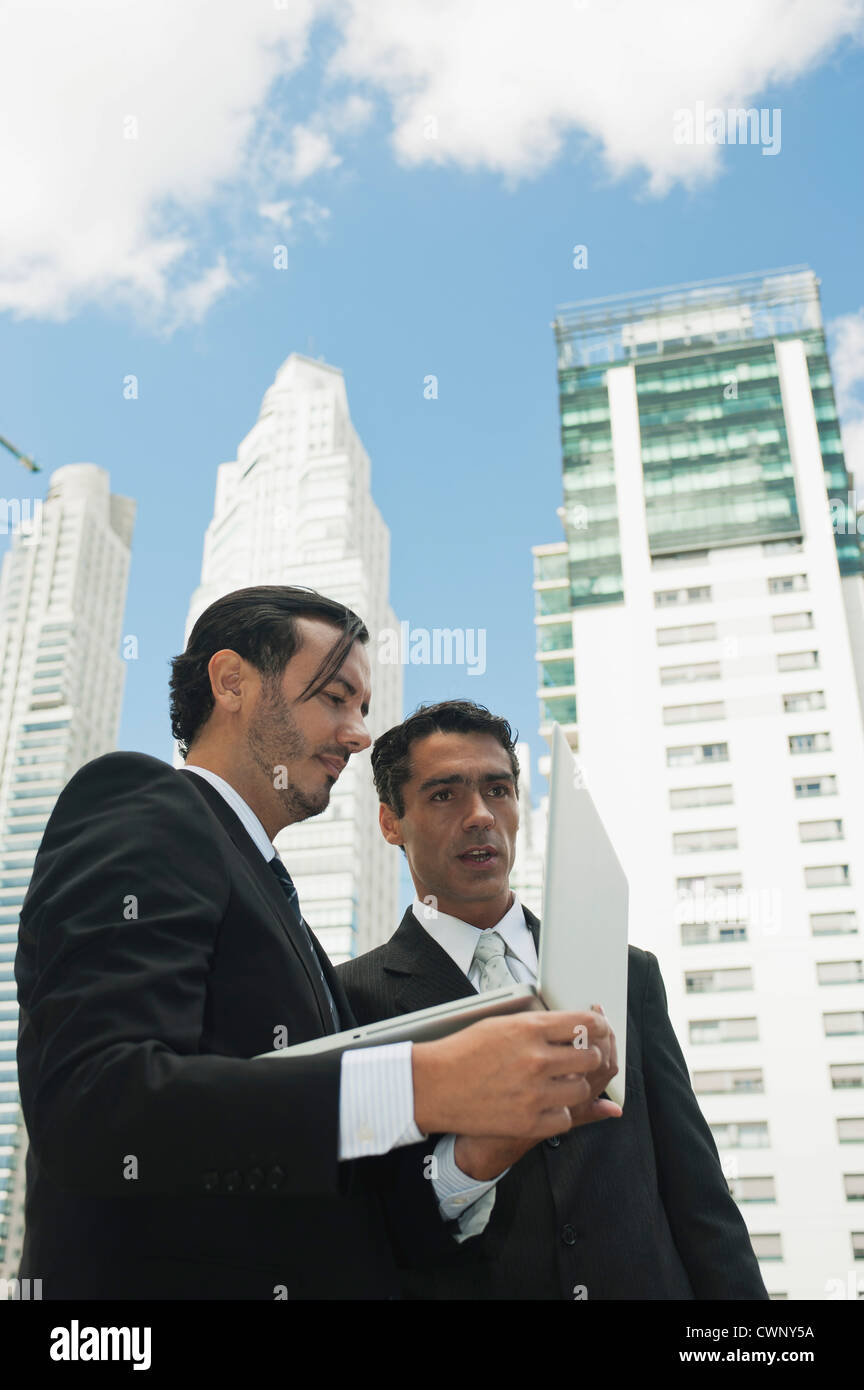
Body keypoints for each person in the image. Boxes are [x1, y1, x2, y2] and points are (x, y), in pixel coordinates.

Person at [15, 588, 616, 1300]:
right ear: (231, 681)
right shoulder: (144, 804)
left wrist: (484, 1146)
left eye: (362, 708)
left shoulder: (279, 905)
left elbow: (349, 1207)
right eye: (336, 698)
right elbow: (96, 1105)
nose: (359, 733)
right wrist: (425, 1084)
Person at [337, 699, 770, 1300]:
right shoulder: (350, 999)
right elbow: (368, 1222)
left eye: (499, 789)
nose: (480, 816)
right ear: (391, 822)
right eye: (444, 795)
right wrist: (472, 1160)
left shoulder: (627, 973)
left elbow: (699, 1196)